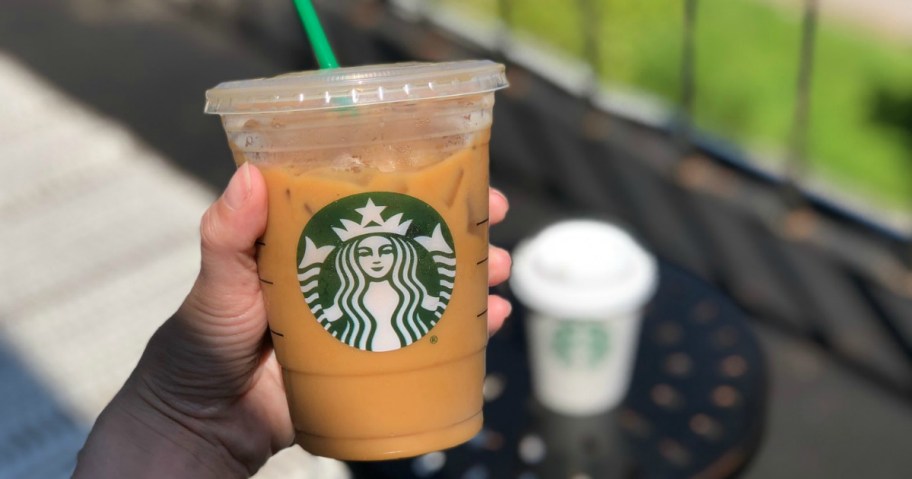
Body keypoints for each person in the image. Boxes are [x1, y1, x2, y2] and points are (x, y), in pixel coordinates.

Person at [72, 163, 513, 478]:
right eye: (364, 249)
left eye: (385, 249)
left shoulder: (412, 296)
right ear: (347, 259)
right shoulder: (347, 307)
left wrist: (186, 427)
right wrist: (187, 422)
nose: (376, 257)